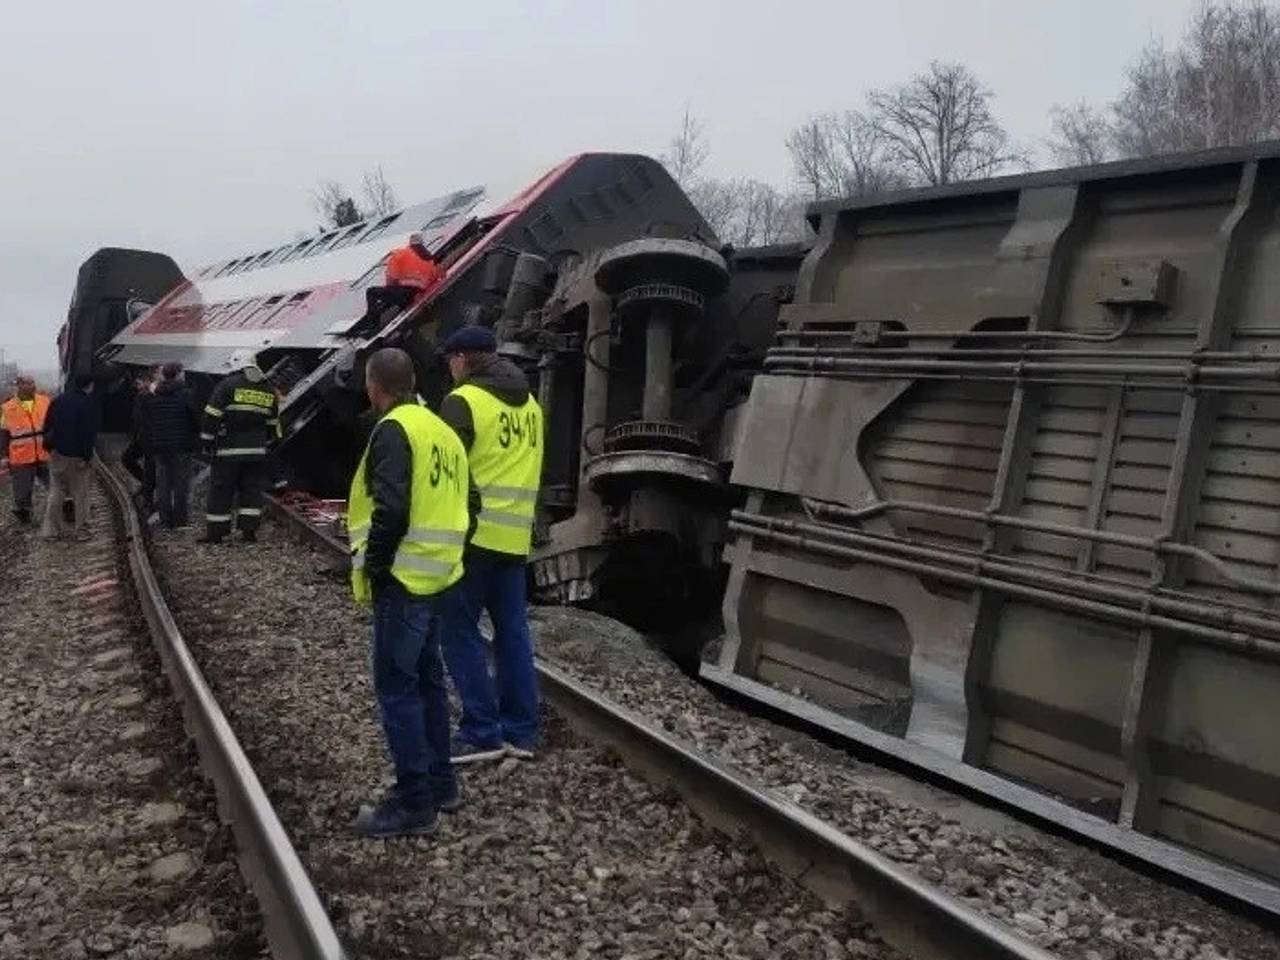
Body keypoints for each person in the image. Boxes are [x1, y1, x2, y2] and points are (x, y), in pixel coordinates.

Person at [348, 347, 469, 838]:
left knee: (397, 689)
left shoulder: (394, 430)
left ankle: (414, 801)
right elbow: (470, 502)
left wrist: (376, 566)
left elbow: (391, 508)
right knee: (429, 682)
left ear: (374, 386)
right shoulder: (442, 430)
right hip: (438, 575)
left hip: (403, 579)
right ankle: (442, 784)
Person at [437, 325, 544, 763]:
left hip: (471, 538)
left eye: (450, 361)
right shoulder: (532, 406)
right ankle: (521, 731)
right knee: (512, 634)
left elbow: (444, 472)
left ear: (462, 358)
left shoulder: (463, 402)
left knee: (457, 631)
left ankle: (481, 731)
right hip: (514, 539)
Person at [199, 354, 280, 544]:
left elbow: (212, 416)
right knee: (251, 491)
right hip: (256, 452)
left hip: (228, 451)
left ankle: (216, 534)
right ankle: (249, 533)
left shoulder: (227, 385)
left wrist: (207, 441)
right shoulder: (268, 389)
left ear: (237, 365)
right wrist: (262, 442)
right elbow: (273, 423)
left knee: (221, 491)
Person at [40, 374, 100, 541]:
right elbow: (89, 433)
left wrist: (50, 448)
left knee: (56, 492)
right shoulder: (87, 403)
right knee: (80, 494)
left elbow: (47, 426)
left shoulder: (57, 400)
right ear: (90, 385)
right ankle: (82, 531)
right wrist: (87, 456)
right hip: (77, 457)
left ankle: (51, 531)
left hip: (57, 454)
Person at [141, 362, 199, 528]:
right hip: (181, 445)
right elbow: (195, 419)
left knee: (163, 484)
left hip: (160, 445)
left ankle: (166, 519)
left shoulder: (154, 396)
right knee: (181, 484)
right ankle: (180, 520)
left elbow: (148, 421)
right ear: (178, 374)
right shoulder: (186, 394)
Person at [362, 232, 446, 327]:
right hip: (415, 295)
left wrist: (388, 290)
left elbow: (391, 278)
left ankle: (372, 323)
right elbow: (437, 277)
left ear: (410, 243)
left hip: (402, 292)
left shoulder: (401, 253)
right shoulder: (430, 260)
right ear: (422, 243)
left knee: (371, 292)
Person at [0, 374, 52, 525]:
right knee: (22, 490)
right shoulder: (7, 408)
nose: (31, 386)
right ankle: (24, 513)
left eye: (32, 383)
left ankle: (65, 507)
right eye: (27, 383)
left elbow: (54, 424)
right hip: (21, 456)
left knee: (56, 485)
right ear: (19, 385)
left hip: (45, 452)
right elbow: (3, 433)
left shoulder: (44, 401)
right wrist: (4, 455)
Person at [121, 367, 159, 515]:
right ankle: (148, 487)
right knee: (127, 459)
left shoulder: (149, 395)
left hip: (151, 438)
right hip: (143, 437)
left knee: (150, 468)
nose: (136, 385)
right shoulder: (141, 395)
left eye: (139, 382)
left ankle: (148, 500)